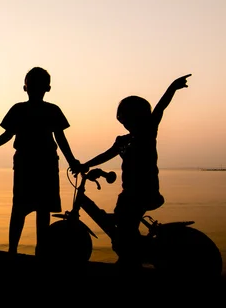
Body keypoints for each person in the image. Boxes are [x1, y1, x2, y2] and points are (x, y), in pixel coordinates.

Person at [73, 74, 192, 271]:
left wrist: (172, 87)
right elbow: (106, 155)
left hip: (144, 191)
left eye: (129, 118)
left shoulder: (147, 132)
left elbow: (160, 108)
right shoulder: (122, 140)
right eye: (124, 119)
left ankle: (132, 259)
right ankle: (130, 256)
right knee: (124, 227)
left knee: (124, 229)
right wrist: (84, 165)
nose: (126, 123)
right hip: (128, 193)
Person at [0, 67, 79, 256]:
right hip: (36, 164)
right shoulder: (46, 110)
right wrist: (71, 161)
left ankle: (18, 250)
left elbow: (8, 134)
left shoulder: (23, 109)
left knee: (24, 209)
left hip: (34, 163)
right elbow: (60, 138)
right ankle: (33, 252)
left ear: (25, 87)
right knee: (36, 211)